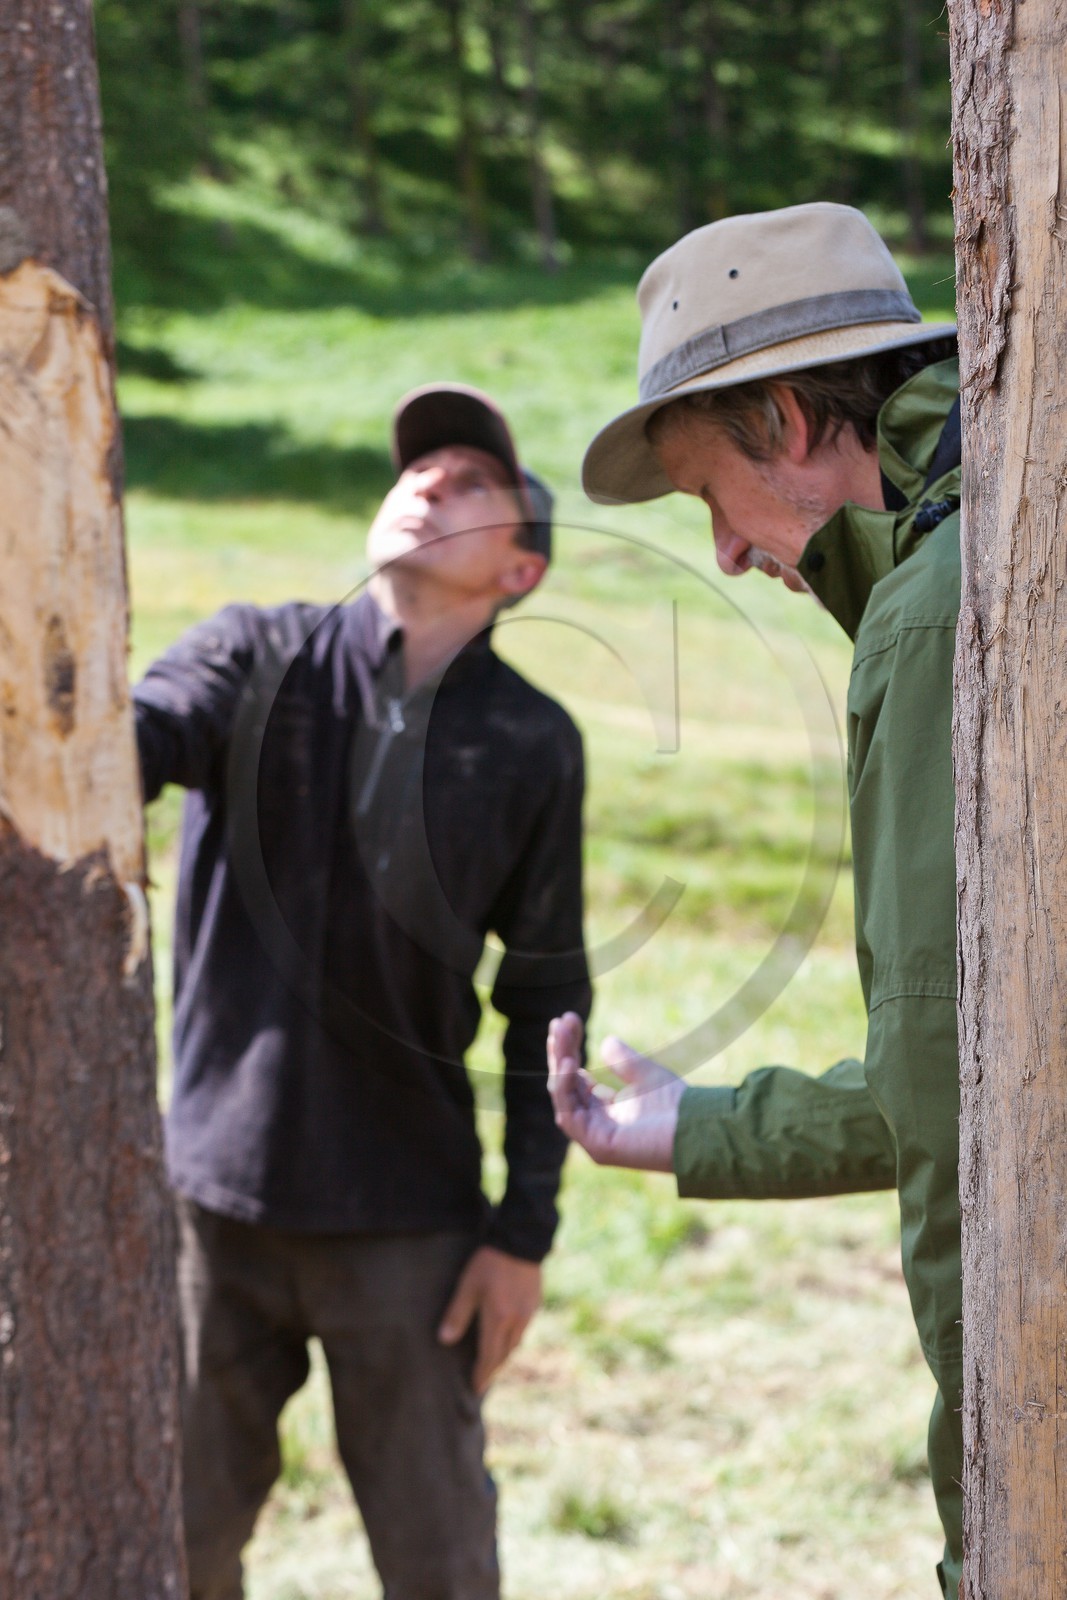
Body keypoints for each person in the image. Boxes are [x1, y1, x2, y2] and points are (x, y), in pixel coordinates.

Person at [548, 202, 964, 1598]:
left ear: (786, 421)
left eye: (702, 497)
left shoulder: (932, 618)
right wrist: (700, 1129)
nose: (722, 554)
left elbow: (950, 1089)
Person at [135, 382, 591, 1600]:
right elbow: (121, 742)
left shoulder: (531, 740)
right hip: (209, 1209)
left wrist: (520, 1232)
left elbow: (545, 988)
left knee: (440, 1567)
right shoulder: (248, 653)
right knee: (166, 1541)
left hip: (409, 1226)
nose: (432, 479)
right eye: (421, 467)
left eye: (474, 480)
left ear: (519, 571)